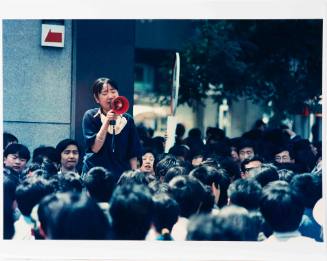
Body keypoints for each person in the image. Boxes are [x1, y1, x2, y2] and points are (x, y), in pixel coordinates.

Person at [82, 77, 142, 181]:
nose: (110, 96)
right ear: (97, 98)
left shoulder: (127, 120)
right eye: (104, 93)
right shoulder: (90, 116)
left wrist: (133, 175)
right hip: (96, 176)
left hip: (121, 176)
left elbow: (132, 153)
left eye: (113, 91)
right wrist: (106, 122)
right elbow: (95, 148)